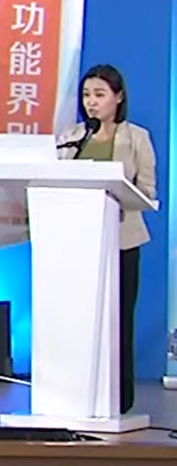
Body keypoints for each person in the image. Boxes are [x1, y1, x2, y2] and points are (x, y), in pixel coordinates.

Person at [57, 63, 156, 414]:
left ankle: (119, 396)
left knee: (118, 320)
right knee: (78, 321)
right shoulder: (71, 136)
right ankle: (75, 392)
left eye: (99, 94)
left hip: (122, 241)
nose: (91, 102)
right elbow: (56, 181)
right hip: (77, 244)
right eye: (86, 95)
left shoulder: (137, 138)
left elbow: (148, 193)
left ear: (119, 97)